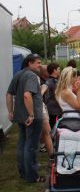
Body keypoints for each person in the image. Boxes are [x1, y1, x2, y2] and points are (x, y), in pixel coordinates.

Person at [6, 54, 45, 183]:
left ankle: (23, 172)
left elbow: (9, 93)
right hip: (32, 117)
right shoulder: (32, 76)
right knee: (31, 146)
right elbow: (27, 95)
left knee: (22, 144)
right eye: (38, 63)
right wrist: (32, 114)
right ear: (30, 63)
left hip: (20, 115)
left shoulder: (18, 74)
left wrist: (11, 111)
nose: (40, 65)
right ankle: (32, 176)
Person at [38, 66, 53, 156]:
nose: (49, 73)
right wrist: (43, 89)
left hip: (43, 106)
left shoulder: (45, 80)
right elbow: (39, 95)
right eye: (47, 71)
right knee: (47, 130)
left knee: (44, 130)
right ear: (44, 72)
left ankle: (42, 145)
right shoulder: (41, 81)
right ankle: (51, 154)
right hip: (40, 107)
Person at [45, 62, 62, 128]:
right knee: (54, 128)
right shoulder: (55, 82)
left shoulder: (47, 80)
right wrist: (62, 107)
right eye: (59, 69)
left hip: (49, 108)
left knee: (51, 126)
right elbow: (57, 96)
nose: (59, 71)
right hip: (55, 110)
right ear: (54, 70)